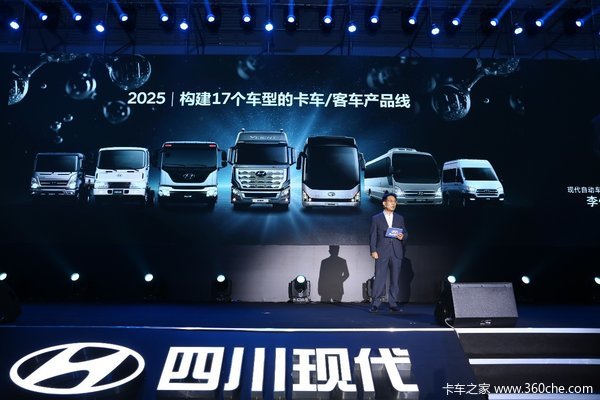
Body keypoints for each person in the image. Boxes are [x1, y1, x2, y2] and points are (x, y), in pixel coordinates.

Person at [369, 192, 407, 313]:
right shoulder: (376, 218)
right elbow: (373, 236)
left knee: (395, 280)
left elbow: (405, 233)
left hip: (396, 252)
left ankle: (393, 303)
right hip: (381, 252)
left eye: (394, 201)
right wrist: (373, 250)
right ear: (384, 203)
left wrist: (403, 236)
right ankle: (376, 303)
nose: (393, 203)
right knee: (379, 278)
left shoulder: (399, 218)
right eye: (390, 201)